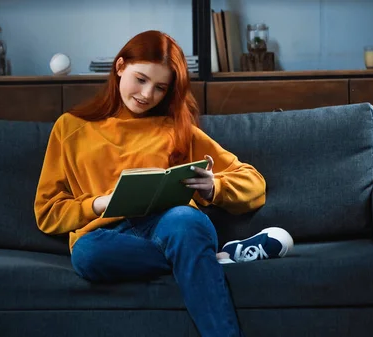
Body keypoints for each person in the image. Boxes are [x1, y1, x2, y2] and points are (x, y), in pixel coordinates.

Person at [34, 30, 271, 337]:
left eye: (160, 88)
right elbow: (47, 211)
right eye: (141, 79)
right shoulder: (70, 128)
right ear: (120, 67)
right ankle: (204, 259)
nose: (147, 95)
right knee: (86, 255)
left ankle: (195, 255)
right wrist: (98, 203)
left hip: (170, 224)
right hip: (107, 235)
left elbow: (254, 183)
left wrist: (214, 187)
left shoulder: (176, 128)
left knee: (186, 221)